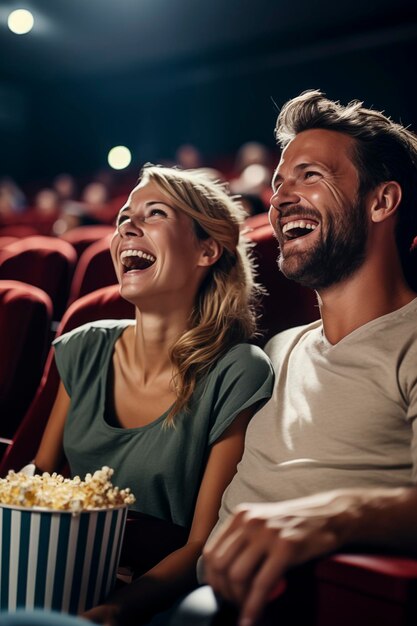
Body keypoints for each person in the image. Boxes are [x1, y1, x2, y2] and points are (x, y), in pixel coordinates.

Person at [202, 90, 417, 626]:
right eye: (278, 184)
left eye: (310, 176)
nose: (279, 199)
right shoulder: (277, 350)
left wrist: (333, 516)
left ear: (381, 201)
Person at [33, 165, 274, 625]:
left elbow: (203, 543)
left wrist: (119, 609)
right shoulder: (85, 345)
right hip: (54, 579)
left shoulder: (238, 370)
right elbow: (34, 484)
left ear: (207, 249)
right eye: (125, 215)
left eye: (155, 213)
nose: (128, 225)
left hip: (153, 601)